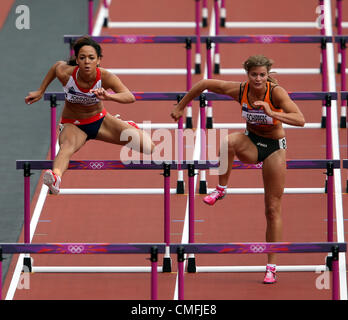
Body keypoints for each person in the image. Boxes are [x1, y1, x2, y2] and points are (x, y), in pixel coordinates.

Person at [170, 55, 305, 284]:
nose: (258, 79)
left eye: (262, 75)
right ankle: (221, 188)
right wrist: (181, 106)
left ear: (268, 74)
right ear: (247, 74)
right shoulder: (240, 90)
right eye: (254, 75)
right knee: (227, 142)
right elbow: (204, 84)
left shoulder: (276, 93)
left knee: (272, 209)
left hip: (274, 148)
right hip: (251, 143)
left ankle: (271, 266)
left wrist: (273, 113)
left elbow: (300, 119)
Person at [25, 36, 154, 195]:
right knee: (66, 147)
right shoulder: (66, 74)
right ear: (77, 60)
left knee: (149, 148)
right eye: (82, 57)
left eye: (91, 58)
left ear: (98, 60)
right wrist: (41, 90)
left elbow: (129, 96)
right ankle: (56, 177)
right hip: (74, 124)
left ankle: (128, 125)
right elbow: (55, 67)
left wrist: (108, 96)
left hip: (100, 120)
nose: (87, 61)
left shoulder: (105, 77)